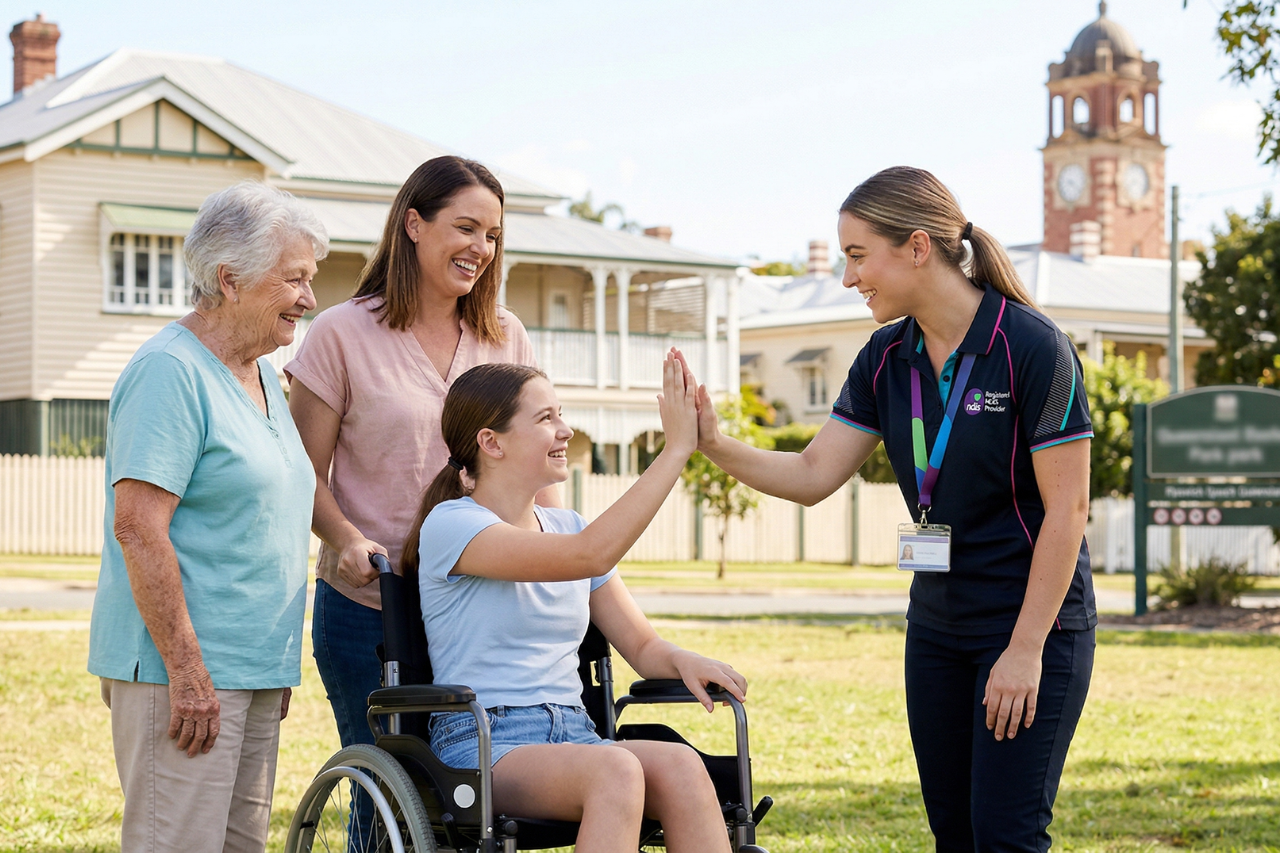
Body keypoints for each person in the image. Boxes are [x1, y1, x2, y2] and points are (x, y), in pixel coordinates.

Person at [681, 166, 1095, 853]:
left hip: (1029, 627)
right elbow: (812, 474)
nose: (849, 278)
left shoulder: (1030, 346)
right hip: (936, 627)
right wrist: (713, 443)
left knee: (1006, 835)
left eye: (856, 255)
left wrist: (1024, 651)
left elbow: (1070, 508)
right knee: (954, 835)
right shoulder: (884, 358)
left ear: (917, 246)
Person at [408, 357, 746, 853]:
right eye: (546, 418)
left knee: (680, 764)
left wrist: (682, 660)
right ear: (491, 442)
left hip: (575, 733)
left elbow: (642, 644)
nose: (565, 430)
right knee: (616, 770)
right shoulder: (452, 525)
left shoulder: (567, 526)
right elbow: (589, 553)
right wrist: (675, 450)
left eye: (560, 414)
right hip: (483, 741)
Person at [286, 156, 552, 758]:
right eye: (465, 227)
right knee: (387, 785)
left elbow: (536, 472)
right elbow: (301, 474)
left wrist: (563, 554)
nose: (480, 247)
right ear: (413, 224)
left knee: (473, 791)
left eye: (492, 235)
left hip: (484, 601)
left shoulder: (505, 335)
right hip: (372, 606)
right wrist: (346, 538)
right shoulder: (339, 333)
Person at [88, 181, 324, 853]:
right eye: (295, 279)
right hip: (184, 673)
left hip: (249, 668)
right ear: (230, 278)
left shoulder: (260, 378)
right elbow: (137, 525)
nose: (308, 297)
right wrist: (189, 672)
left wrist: (268, 666)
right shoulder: (170, 371)